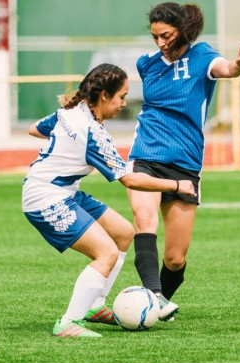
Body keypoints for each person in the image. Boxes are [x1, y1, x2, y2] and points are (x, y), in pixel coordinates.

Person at [23, 63, 196, 338]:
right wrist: (176, 184)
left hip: (63, 190)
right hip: (46, 198)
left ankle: (95, 305)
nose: (124, 103)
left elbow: (35, 129)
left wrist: (65, 144)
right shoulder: (93, 132)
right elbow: (130, 179)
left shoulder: (69, 112)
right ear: (104, 95)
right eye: (121, 97)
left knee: (124, 233)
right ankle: (69, 322)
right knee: (106, 253)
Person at [127, 2, 240, 322]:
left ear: (183, 30)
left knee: (174, 257)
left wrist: (239, 65)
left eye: (166, 35)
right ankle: (153, 298)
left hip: (185, 164)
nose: (160, 43)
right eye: (155, 36)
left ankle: (155, 304)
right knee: (144, 222)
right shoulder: (147, 64)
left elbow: (226, 69)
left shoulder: (202, 57)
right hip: (145, 155)